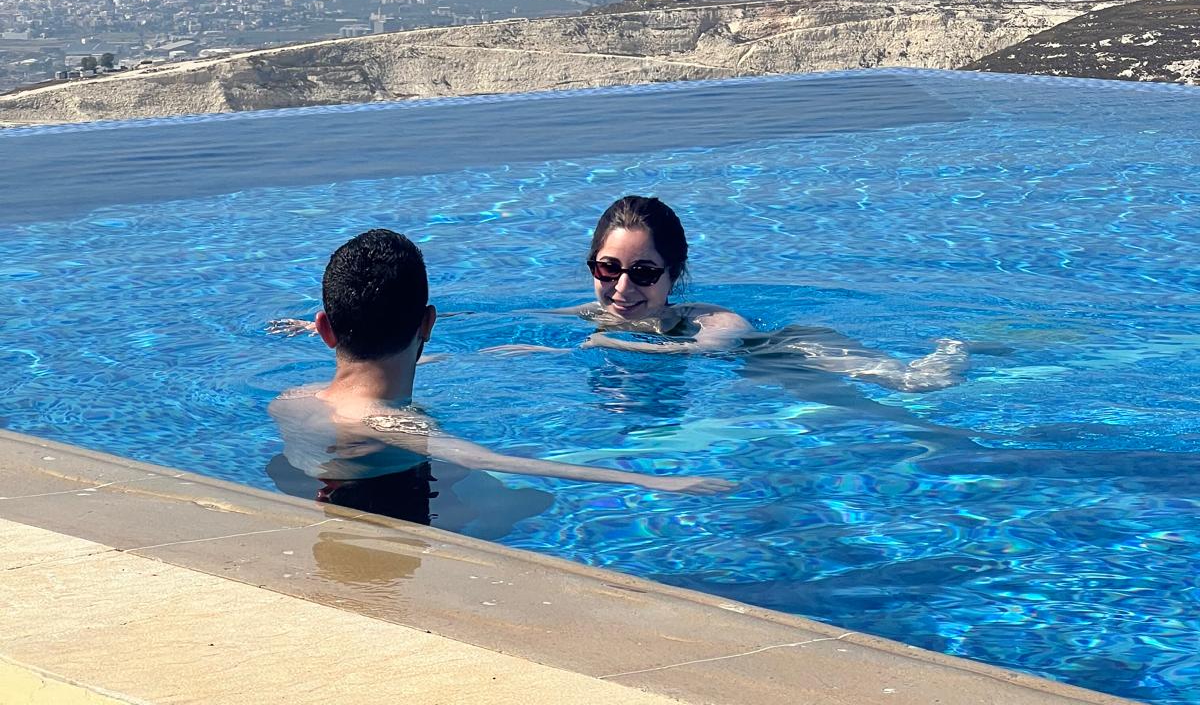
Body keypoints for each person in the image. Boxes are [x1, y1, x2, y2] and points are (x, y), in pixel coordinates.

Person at [267, 227, 729, 518]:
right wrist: (654, 481)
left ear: (324, 329)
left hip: (332, 494)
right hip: (392, 514)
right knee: (531, 501)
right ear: (429, 324)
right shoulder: (394, 424)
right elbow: (492, 460)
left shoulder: (292, 399)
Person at [560, 193, 969, 392]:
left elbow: (698, 350)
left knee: (920, 386)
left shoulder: (713, 320)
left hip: (795, 354)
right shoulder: (595, 315)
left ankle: (961, 346)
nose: (622, 287)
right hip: (759, 373)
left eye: (644, 272)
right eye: (608, 268)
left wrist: (608, 343)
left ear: (673, 274)